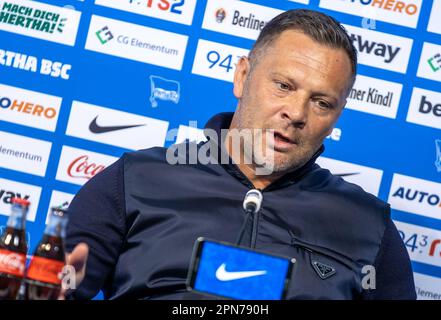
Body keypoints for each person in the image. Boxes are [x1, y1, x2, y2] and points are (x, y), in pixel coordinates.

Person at [64, 9, 416, 300]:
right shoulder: (134, 181)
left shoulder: (370, 227)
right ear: (243, 76)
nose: (296, 113)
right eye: (284, 85)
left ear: (336, 116)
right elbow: (54, 287)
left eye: (321, 102)